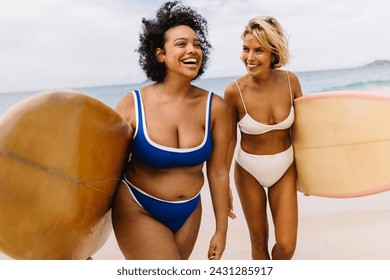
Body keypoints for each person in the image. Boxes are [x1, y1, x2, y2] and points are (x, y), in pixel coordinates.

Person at [112, 1, 233, 260]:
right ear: (160, 55)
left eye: (197, 44)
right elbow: (102, 170)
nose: (193, 50)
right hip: (138, 206)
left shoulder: (217, 108)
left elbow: (219, 172)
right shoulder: (133, 104)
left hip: (189, 211)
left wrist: (221, 230)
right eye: (181, 44)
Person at [224, 16, 302, 260]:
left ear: (273, 53)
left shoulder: (291, 82)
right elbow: (227, 142)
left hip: (285, 167)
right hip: (249, 170)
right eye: (246, 49)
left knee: (286, 247)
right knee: (258, 243)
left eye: (258, 50)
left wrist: (312, 173)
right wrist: (223, 185)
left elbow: (303, 131)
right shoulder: (234, 92)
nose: (250, 57)